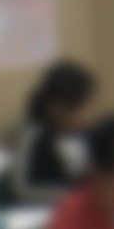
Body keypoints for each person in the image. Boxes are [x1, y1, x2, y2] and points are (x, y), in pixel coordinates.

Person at [13, 60, 98, 204]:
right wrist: (77, 196)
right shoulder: (34, 136)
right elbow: (22, 189)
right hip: (48, 208)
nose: (88, 112)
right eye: (82, 106)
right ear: (56, 108)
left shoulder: (92, 134)